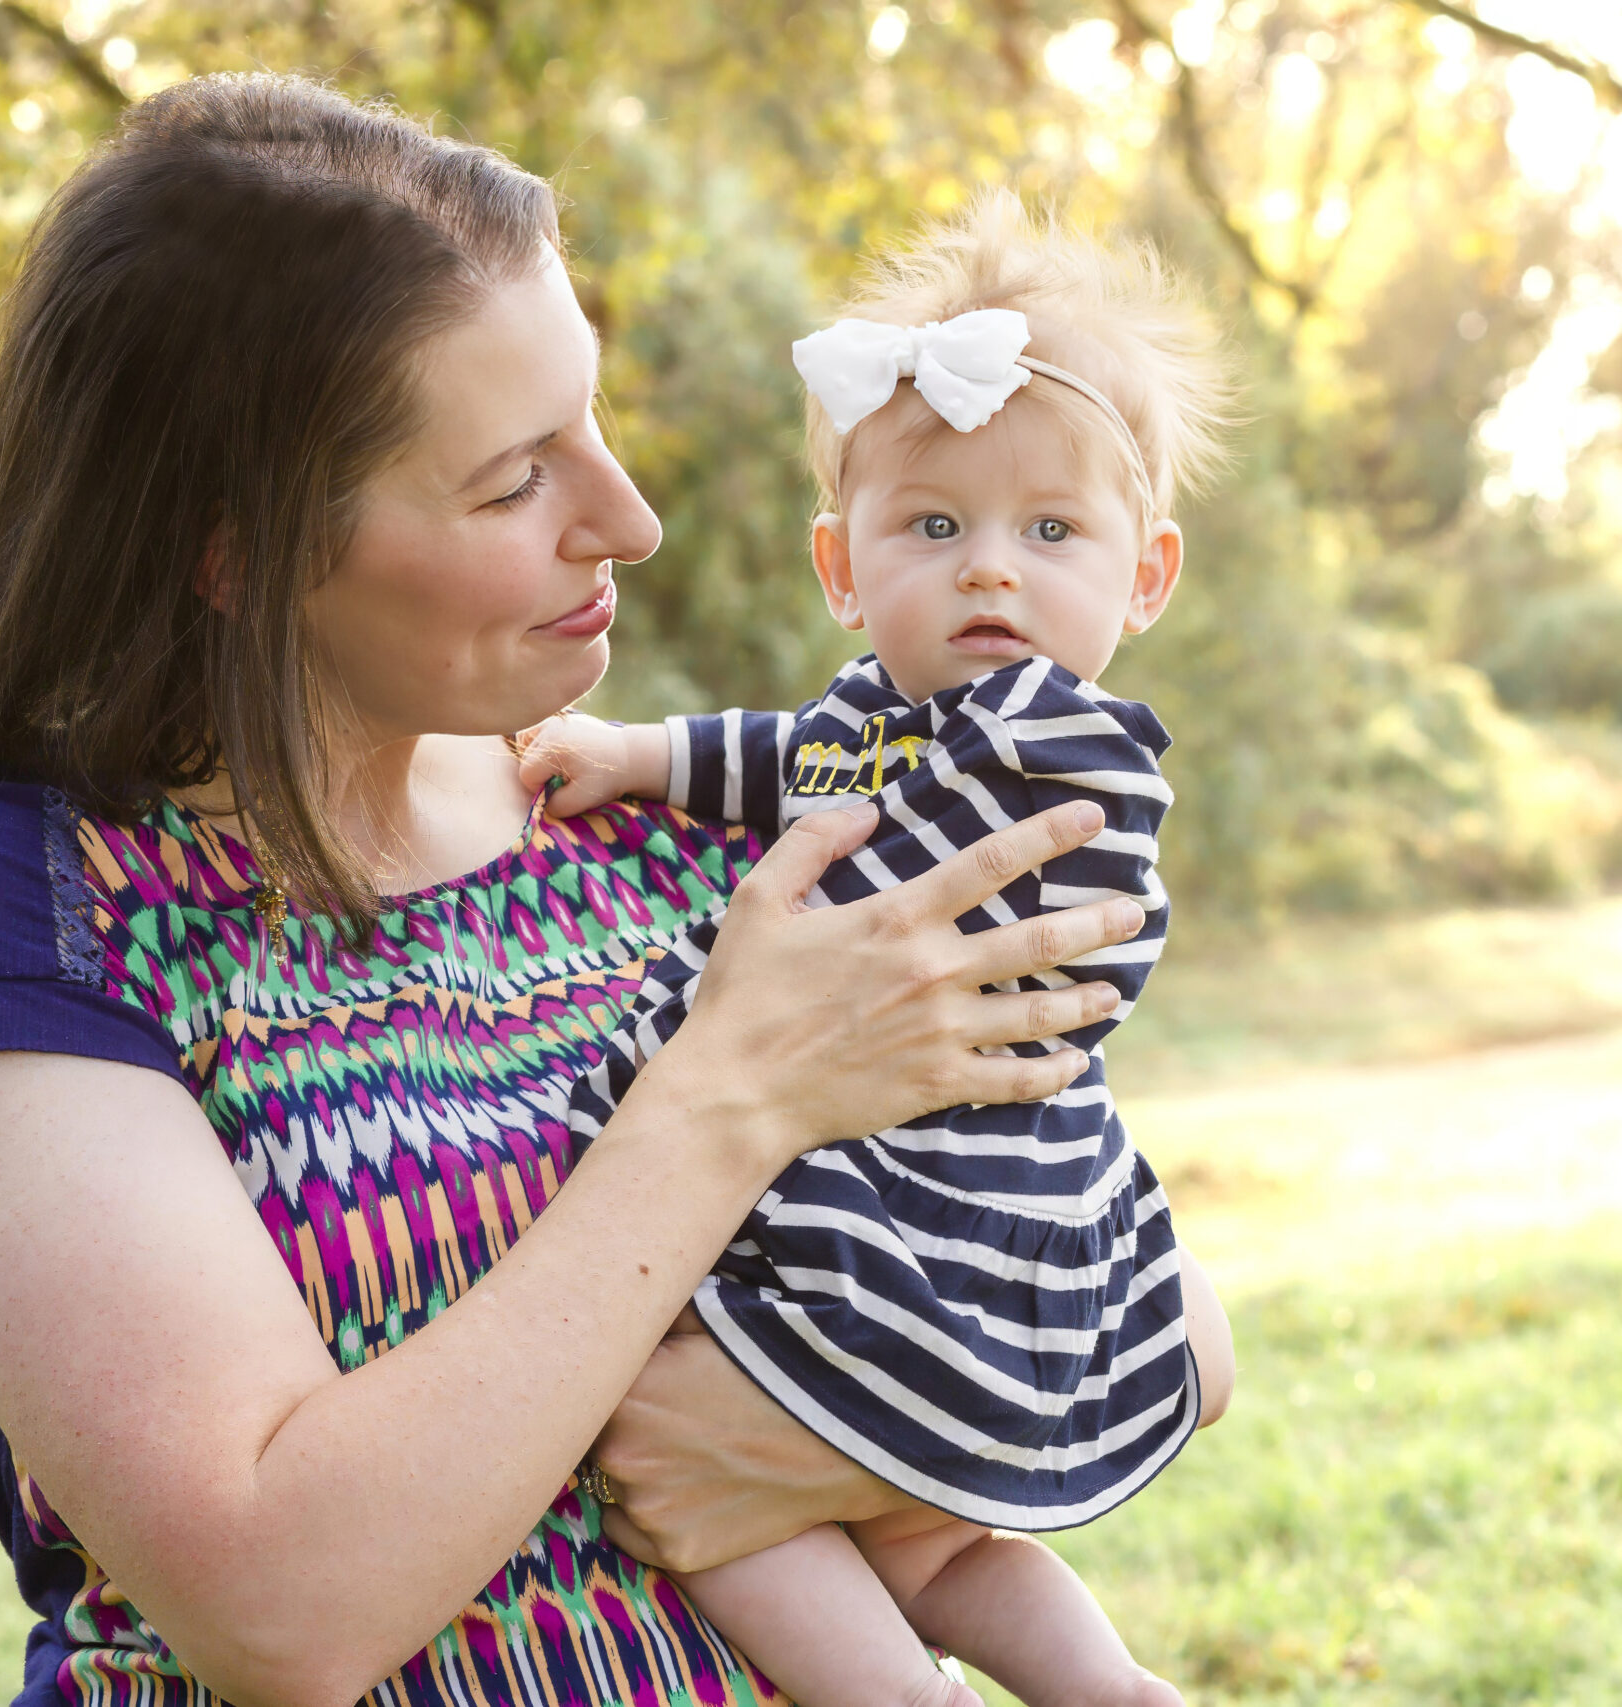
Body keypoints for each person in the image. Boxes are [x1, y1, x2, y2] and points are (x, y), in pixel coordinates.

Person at [0, 74, 1158, 1707]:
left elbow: (1158, 1330)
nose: (631, 521)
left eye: (592, 422)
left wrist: (794, 1444)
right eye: (516, 481)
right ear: (232, 551)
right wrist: (724, 1107)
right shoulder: (15, 915)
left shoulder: (633, 814)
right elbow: (283, 1610)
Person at [518, 200, 1237, 1707]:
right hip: (901, 1242)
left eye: (1051, 532)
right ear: (843, 570)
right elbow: (789, 761)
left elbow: (930, 905)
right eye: (935, 527)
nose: (992, 573)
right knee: (925, 1545)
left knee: (698, 1502)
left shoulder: (1065, 745)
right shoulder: (872, 721)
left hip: (936, 1233)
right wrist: (643, 754)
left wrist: (712, 995)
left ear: (1144, 577)